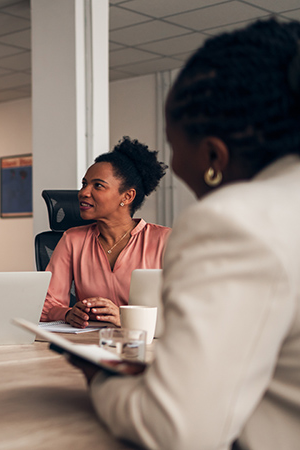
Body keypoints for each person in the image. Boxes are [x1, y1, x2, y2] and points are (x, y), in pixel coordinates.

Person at [77, 19, 300, 449]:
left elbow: (174, 429)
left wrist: (102, 378)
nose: (174, 167)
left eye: (176, 147)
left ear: (214, 155)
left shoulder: (234, 222)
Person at [41, 137, 171, 327]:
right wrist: (68, 313)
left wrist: (125, 319)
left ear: (127, 196)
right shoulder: (72, 239)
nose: (83, 192)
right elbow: (46, 304)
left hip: (145, 347)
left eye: (98, 185)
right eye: (84, 183)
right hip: (87, 345)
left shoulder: (164, 240)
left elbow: (187, 310)